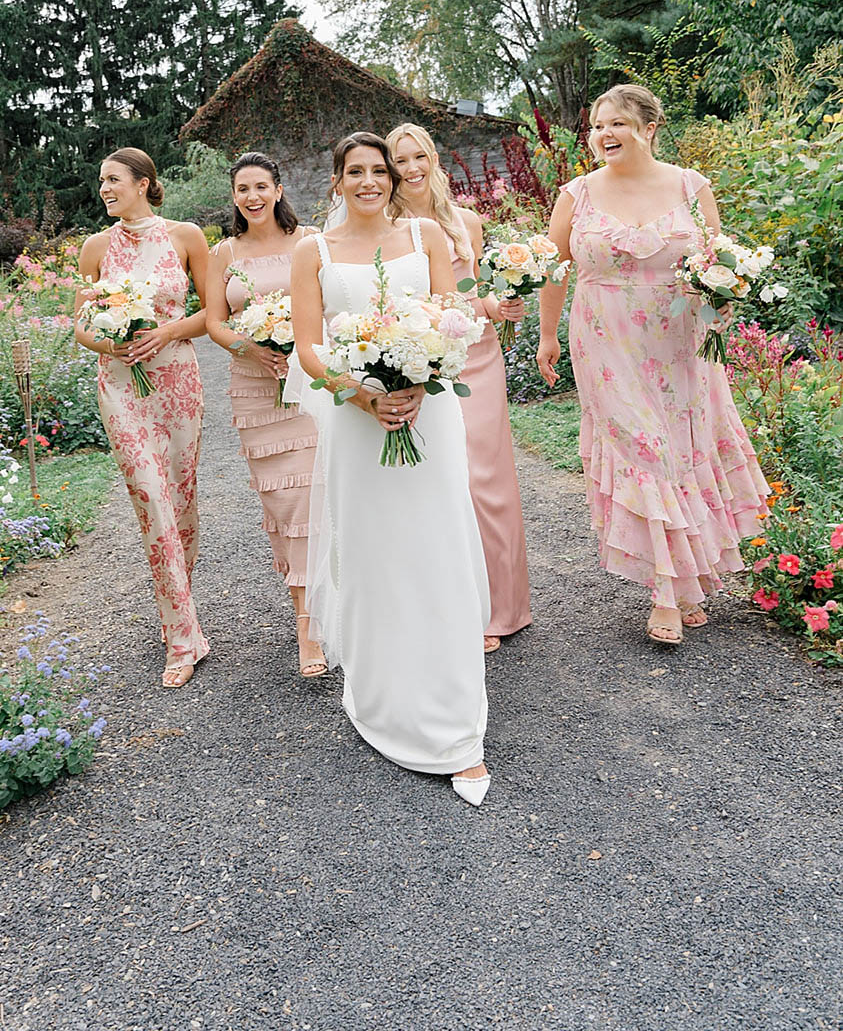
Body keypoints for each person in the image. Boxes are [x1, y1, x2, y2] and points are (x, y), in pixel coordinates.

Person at [289, 132, 492, 805]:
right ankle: (379, 696)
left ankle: (455, 727)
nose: (371, 180)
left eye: (380, 170)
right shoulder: (311, 250)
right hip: (356, 420)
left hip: (429, 416)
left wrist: (421, 372)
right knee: (376, 558)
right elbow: (310, 347)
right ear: (337, 181)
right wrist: (362, 392)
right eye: (356, 171)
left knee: (434, 554)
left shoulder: (427, 235)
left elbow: (454, 317)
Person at [535, 85, 770, 645]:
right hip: (605, 338)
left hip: (681, 341)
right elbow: (549, 267)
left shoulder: (692, 187)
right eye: (596, 125)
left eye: (617, 123)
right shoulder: (578, 194)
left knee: (681, 450)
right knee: (645, 449)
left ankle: (687, 581)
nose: (604, 134)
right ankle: (666, 590)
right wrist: (546, 336)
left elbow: (719, 261)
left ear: (649, 128)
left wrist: (729, 292)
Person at [387, 123, 532, 649]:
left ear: (432, 158)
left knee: (485, 477)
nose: (410, 168)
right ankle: (449, 606)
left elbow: (476, 294)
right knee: (437, 480)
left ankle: (501, 606)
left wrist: (502, 304)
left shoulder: (465, 220)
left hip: (478, 356)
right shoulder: (387, 227)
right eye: (399, 160)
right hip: (421, 364)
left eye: (418, 156)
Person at [76, 148, 211, 688]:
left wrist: (165, 332)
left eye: (112, 180)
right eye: (101, 182)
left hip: (177, 380)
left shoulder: (186, 236)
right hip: (120, 386)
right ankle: (183, 637)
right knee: (150, 497)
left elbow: (210, 314)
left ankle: (177, 603)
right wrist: (112, 338)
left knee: (180, 498)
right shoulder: (95, 248)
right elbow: (81, 325)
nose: (104, 189)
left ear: (143, 183)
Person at [205, 152, 325, 678]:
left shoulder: (311, 241)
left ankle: (323, 621)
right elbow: (214, 321)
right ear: (234, 197)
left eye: (260, 186)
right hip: (254, 392)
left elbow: (333, 307)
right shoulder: (223, 252)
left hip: (309, 388)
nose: (251, 197)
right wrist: (248, 348)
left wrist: (301, 346)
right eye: (242, 189)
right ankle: (306, 616)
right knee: (284, 507)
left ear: (278, 190)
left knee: (317, 501)